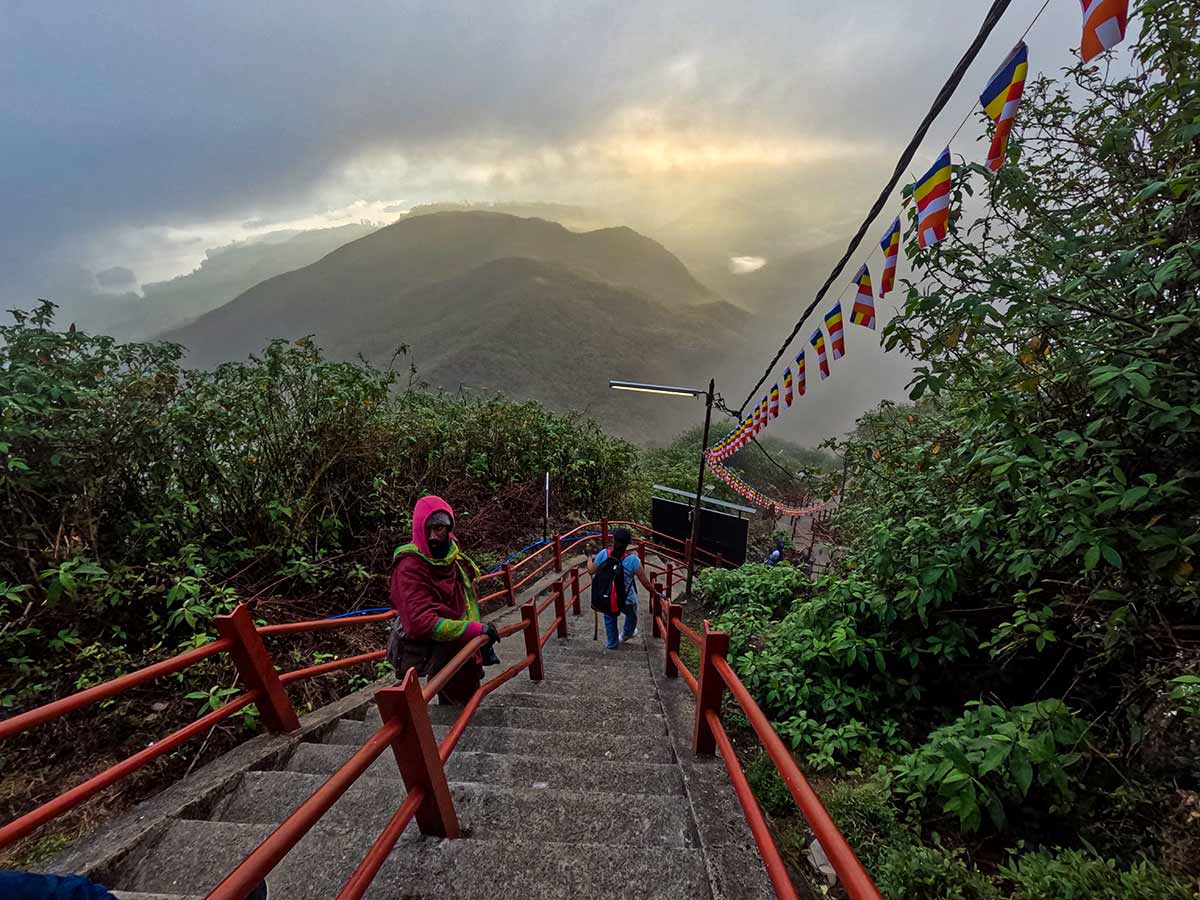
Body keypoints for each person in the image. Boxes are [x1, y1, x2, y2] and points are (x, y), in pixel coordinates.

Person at [387, 495, 500, 705]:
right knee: (455, 700)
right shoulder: (410, 566)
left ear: (449, 528)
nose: (433, 536)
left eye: (439, 528)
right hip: (435, 649)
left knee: (464, 695)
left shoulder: (453, 558)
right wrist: (475, 630)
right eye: (427, 529)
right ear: (418, 529)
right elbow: (419, 622)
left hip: (460, 648)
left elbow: (466, 600)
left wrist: (476, 638)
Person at [586, 528, 660, 651]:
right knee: (632, 616)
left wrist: (589, 557)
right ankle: (627, 634)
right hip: (627, 600)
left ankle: (612, 645)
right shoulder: (633, 561)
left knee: (610, 620)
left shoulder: (604, 554)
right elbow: (646, 583)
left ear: (614, 540)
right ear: (628, 544)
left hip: (608, 598)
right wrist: (655, 593)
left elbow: (590, 571)